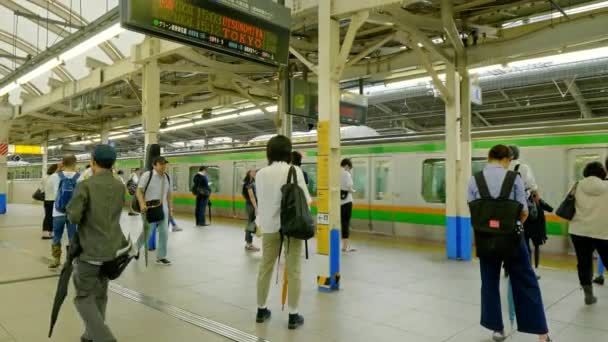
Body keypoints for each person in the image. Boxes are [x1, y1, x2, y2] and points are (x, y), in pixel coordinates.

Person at [468, 145, 551, 342]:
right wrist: (511, 226)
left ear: (489, 157)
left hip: (485, 238)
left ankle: (497, 329)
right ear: (507, 159)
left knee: (489, 282)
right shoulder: (514, 179)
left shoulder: (474, 180)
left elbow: (473, 209)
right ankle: (542, 334)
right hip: (512, 238)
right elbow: (524, 212)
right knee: (527, 282)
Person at [66, 144, 128, 342]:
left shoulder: (85, 185)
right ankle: (89, 336)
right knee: (100, 295)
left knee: (83, 298)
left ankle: (103, 338)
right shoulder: (120, 185)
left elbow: (74, 216)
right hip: (113, 252)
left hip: (90, 251)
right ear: (113, 164)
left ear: (92, 162)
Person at [256, 135, 311, 330]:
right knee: (294, 270)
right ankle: (293, 315)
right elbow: (306, 200)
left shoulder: (260, 173)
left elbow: (261, 201)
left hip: (269, 227)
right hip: (292, 228)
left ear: (269, 152)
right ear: (288, 153)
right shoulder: (294, 170)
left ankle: (261, 310)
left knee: (265, 268)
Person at [568, 161, 608, 305]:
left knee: (584, 263)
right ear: (602, 172)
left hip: (579, 231)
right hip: (603, 232)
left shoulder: (577, 185)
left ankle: (588, 296)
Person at [135, 157, 172, 266]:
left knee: (164, 232)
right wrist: (142, 204)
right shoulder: (147, 175)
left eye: (165, 164)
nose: (164, 166)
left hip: (163, 209)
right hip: (149, 209)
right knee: (148, 232)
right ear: (154, 165)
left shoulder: (167, 177)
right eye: (161, 164)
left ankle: (161, 257)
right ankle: (135, 248)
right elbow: (139, 191)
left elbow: (168, 195)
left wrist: (170, 209)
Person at [48, 154, 80, 269]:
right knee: (73, 237)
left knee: (57, 236)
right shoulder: (80, 177)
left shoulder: (55, 177)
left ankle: (56, 259)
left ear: (62, 163)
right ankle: (71, 260)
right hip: (74, 213)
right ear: (75, 163)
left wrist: (58, 170)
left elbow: (50, 189)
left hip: (57, 212)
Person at [340, 158, 356, 252]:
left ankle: (345, 245)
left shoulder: (336, 173)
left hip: (339, 202)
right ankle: (345, 247)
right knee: (346, 223)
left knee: (343, 223)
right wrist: (353, 191)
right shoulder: (346, 174)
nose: (349, 170)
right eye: (349, 168)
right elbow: (350, 188)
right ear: (346, 166)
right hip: (347, 202)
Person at [242, 169, 259, 251]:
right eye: (253, 172)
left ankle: (248, 243)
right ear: (249, 173)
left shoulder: (252, 183)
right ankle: (249, 244)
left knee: (250, 223)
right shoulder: (249, 184)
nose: (255, 173)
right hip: (251, 206)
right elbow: (252, 197)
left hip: (250, 205)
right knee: (251, 224)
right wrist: (256, 208)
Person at [40, 164, 58, 240]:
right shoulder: (55, 177)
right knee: (52, 217)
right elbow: (56, 190)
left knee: (47, 216)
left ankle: (45, 233)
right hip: (53, 199)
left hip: (46, 200)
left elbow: (41, 189)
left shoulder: (45, 177)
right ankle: (50, 233)